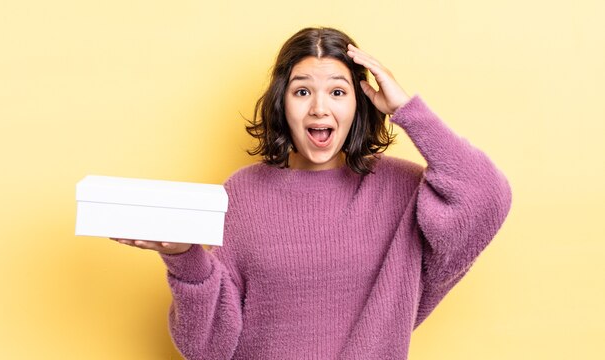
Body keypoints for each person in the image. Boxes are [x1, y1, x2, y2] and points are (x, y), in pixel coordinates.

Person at [112, 27, 512, 359]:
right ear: (281, 103)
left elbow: (487, 196)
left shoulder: (401, 189)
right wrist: (184, 259)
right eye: (302, 92)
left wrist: (407, 109)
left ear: (360, 103)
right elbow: (207, 347)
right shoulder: (242, 193)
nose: (320, 108)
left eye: (337, 92)